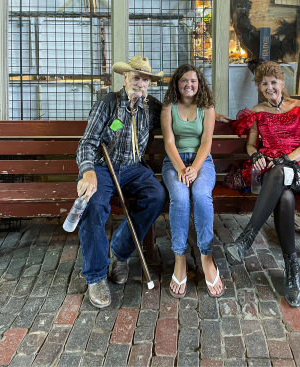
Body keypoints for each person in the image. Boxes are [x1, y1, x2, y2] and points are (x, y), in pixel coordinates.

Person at [225, 61, 300, 307]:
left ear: (282, 83)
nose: (269, 87)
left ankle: (247, 239)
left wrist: (285, 158)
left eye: (273, 82)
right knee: (285, 197)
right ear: (259, 87)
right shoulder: (258, 112)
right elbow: (251, 144)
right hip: (274, 174)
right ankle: (293, 273)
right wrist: (255, 156)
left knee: (279, 173)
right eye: (264, 83)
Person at [76, 55, 166, 308]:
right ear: (125, 77)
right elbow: (87, 143)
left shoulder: (152, 107)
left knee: (156, 196)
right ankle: (95, 276)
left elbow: (182, 113)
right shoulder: (108, 103)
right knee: (93, 204)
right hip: (103, 167)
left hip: (135, 169)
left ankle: (120, 252)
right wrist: (88, 172)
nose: (140, 83)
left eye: (145, 79)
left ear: (149, 83)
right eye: (136, 77)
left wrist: (208, 111)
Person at [161, 64, 224, 298]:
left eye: (193, 81)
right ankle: (180, 258)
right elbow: (168, 142)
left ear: (200, 84)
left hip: (202, 162)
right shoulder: (168, 107)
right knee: (179, 197)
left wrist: (195, 169)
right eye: (184, 81)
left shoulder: (206, 107)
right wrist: (181, 168)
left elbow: (207, 142)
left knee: (200, 195)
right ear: (177, 84)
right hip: (174, 162)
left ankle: (206, 256)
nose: (189, 85)